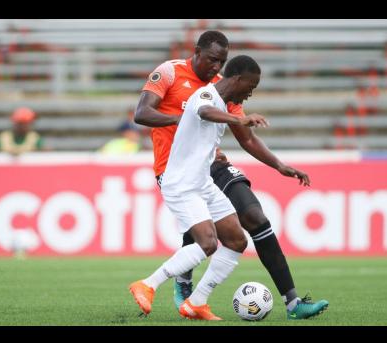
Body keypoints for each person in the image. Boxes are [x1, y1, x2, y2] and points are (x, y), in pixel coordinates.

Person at [134, 31, 328, 320]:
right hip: (176, 168)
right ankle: (171, 283)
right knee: (206, 239)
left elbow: (246, 138)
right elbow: (143, 113)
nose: (216, 67)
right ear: (197, 51)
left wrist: (278, 165)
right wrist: (183, 120)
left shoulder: (223, 89)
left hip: (209, 166)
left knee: (251, 223)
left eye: (222, 62)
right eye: (212, 59)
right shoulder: (171, 73)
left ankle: (291, 302)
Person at [129, 55, 269, 321]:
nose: (250, 94)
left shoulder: (220, 101)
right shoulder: (206, 95)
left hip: (201, 182)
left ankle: (196, 302)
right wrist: (239, 120)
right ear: (237, 79)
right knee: (208, 242)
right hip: (182, 184)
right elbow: (204, 112)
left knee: (237, 240)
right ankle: (148, 284)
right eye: (250, 87)